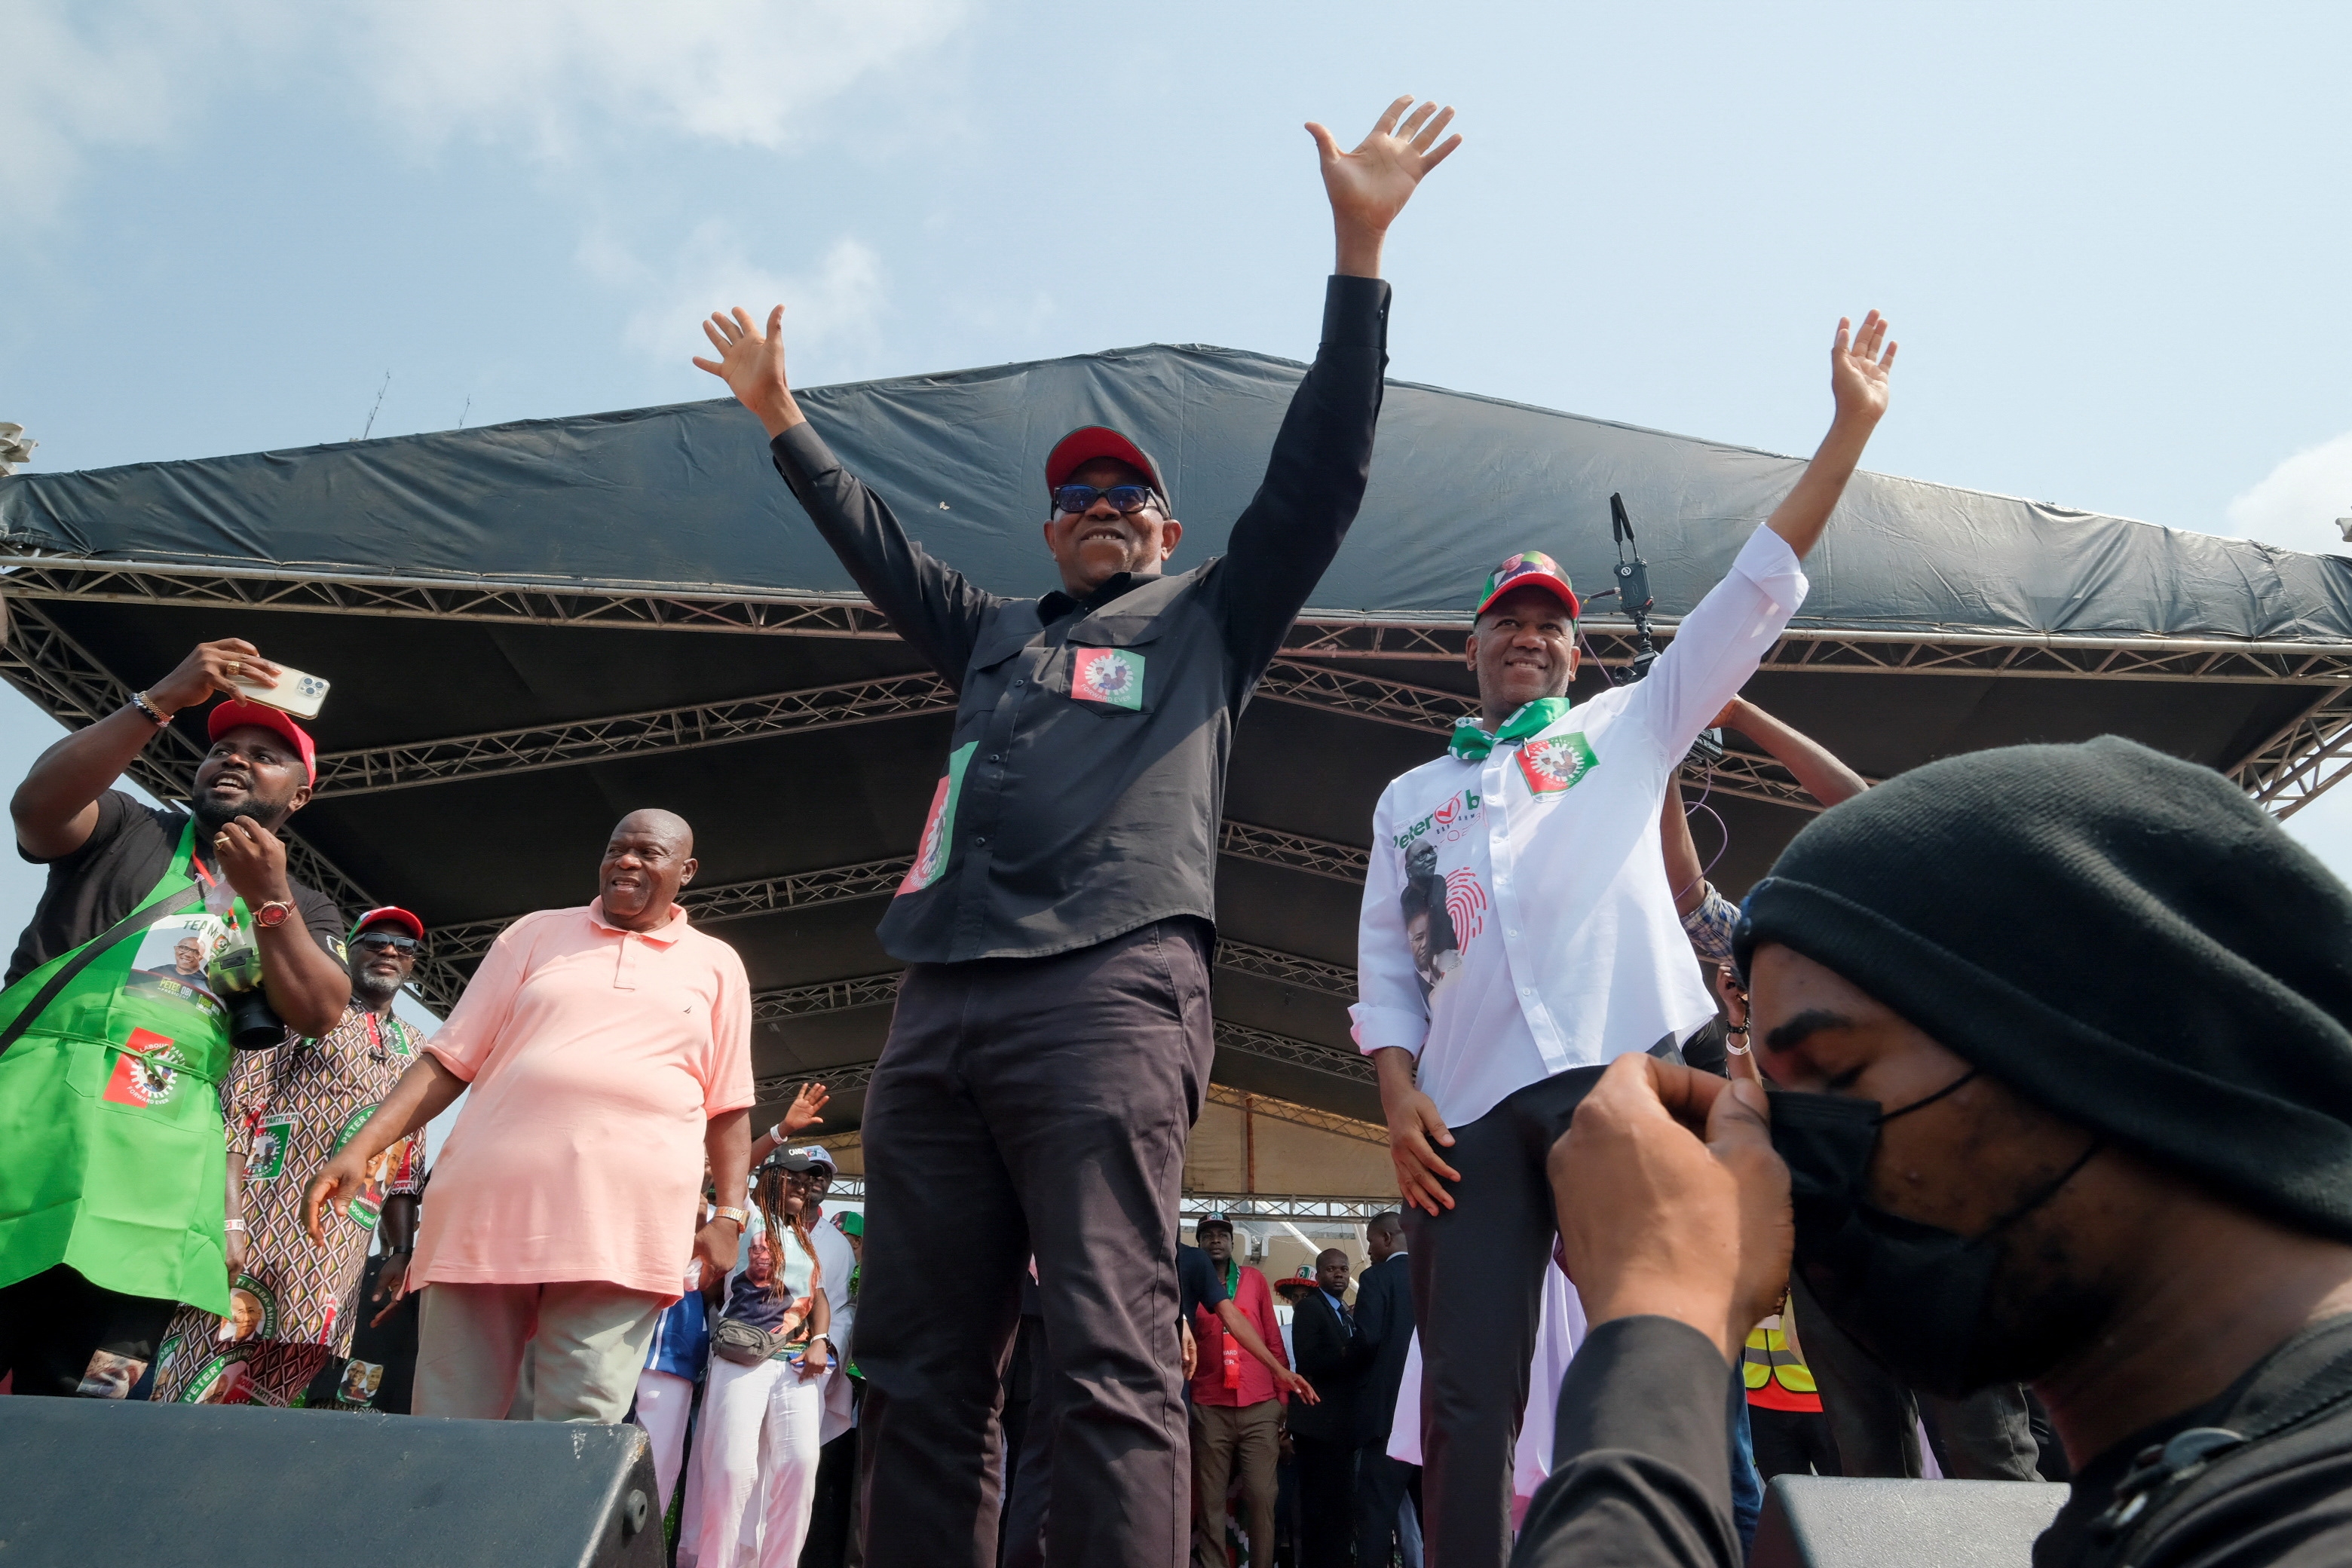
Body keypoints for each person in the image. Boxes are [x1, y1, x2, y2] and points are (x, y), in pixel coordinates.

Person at [693, 97, 1458, 1568]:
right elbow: (880, 544)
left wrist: (1359, 251)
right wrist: (787, 424)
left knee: (1110, 1344)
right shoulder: (988, 634)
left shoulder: (1207, 621)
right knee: (919, 1367)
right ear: (1049, 533)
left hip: (1107, 983)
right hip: (939, 1002)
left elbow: (1322, 473)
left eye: (1130, 493)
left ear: (1167, 530)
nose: (1102, 504)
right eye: (1077, 496)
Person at [1518, 737, 2352, 1567]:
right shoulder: (2155, 1507)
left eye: (1838, 1072)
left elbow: (1901, 833)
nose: (1784, 1154)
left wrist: (1655, 1329)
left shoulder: (2306, 1526)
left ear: (2110, 1039)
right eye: (1777, 1090)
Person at [1353, 311, 1896, 1566]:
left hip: (1630, 1080)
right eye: (1505, 622)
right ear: (1473, 648)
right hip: (1471, 1105)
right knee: (1468, 1401)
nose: (1525, 637)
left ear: (1573, 649)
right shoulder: (1410, 801)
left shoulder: (1625, 728)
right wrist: (1395, 1087)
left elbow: (1751, 588)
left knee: (1666, 1366)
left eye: (1547, 624)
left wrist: (1846, 433)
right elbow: (1389, 962)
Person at [304, 809, 754, 1422]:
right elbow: (448, 1060)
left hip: (625, 1225)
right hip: (486, 1213)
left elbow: (727, 1102)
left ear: (687, 871)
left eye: (648, 853)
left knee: (579, 1424)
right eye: (616, 849)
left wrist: (728, 1214)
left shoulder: (717, 964)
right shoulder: (535, 934)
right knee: (449, 1419)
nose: (626, 862)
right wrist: (360, 1147)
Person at [0, 642, 350, 1398]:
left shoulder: (307, 907)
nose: (235, 759)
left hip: (151, 1159)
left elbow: (319, 1010)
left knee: (82, 1396)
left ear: (298, 799)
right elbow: (36, 809)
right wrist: (160, 699)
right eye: (222, 747)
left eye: (265, 756)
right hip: (27, 1116)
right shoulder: (128, 828)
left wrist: (268, 900)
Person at [152, 906, 431, 1406]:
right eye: (376, 940)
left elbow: (406, 1163)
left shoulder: (418, 1048)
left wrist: (399, 1250)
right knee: (188, 1395)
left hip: (333, 1265)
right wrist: (228, 1223)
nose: (391, 950)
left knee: (264, 1410)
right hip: (255, 1238)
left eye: (404, 946)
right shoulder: (303, 1009)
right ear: (347, 951)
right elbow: (237, 1111)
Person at [681, 1148, 835, 1568]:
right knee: (732, 1470)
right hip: (742, 1360)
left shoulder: (802, 1236)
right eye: (796, 1175)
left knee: (801, 1466)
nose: (805, 1184)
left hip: (796, 1366)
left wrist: (821, 1338)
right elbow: (741, 1157)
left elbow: (817, 1295)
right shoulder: (746, 1213)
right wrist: (781, 1131)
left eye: (813, 1179)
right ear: (769, 1177)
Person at [1190, 1214, 1293, 1568]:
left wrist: (1282, 1401)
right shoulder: (1189, 1281)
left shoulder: (1254, 1279)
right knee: (1210, 1499)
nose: (1216, 1241)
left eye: (1222, 1235)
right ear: (1199, 1243)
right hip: (1209, 1405)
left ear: (1233, 1244)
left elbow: (1272, 1339)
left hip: (1259, 1405)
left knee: (1263, 1496)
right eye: (1208, 1236)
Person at [1291, 1248, 1370, 1568]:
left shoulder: (1346, 1315)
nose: (1338, 1274)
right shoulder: (1310, 1308)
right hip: (1317, 1425)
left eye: (1343, 1269)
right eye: (1331, 1269)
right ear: (1320, 1274)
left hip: (1341, 1427)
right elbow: (1309, 1360)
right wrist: (1349, 1352)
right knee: (1318, 1508)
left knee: (1340, 1507)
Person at [1353, 1213, 1417, 1568]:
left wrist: (1346, 1354)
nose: (1369, 1249)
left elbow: (1369, 1338)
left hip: (1389, 1416)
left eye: (1371, 1240)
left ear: (1388, 1238)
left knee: (1376, 1511)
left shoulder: (1376, 1277)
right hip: (1439, 1414)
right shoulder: (1439, 1274)